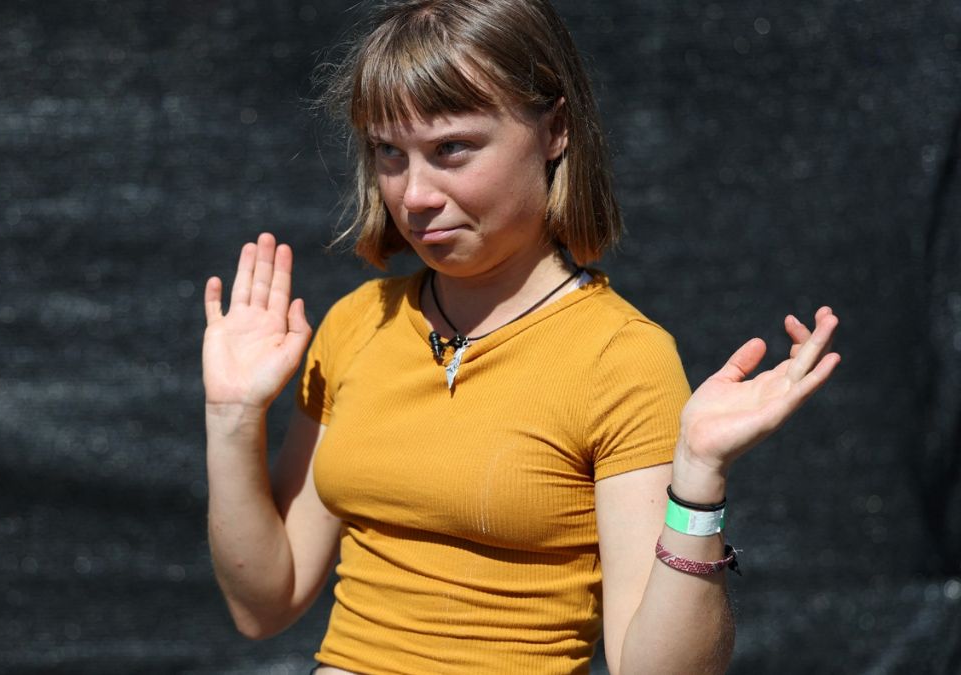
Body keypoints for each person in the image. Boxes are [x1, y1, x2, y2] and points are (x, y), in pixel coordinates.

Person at [201, 1, 841, 673]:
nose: (413, 193)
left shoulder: (621, 358)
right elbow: (263, 603)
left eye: (452, 149)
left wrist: (699, 483)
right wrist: (231, 416)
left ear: (555, 130)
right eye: (390, 153)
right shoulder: (358, 323)